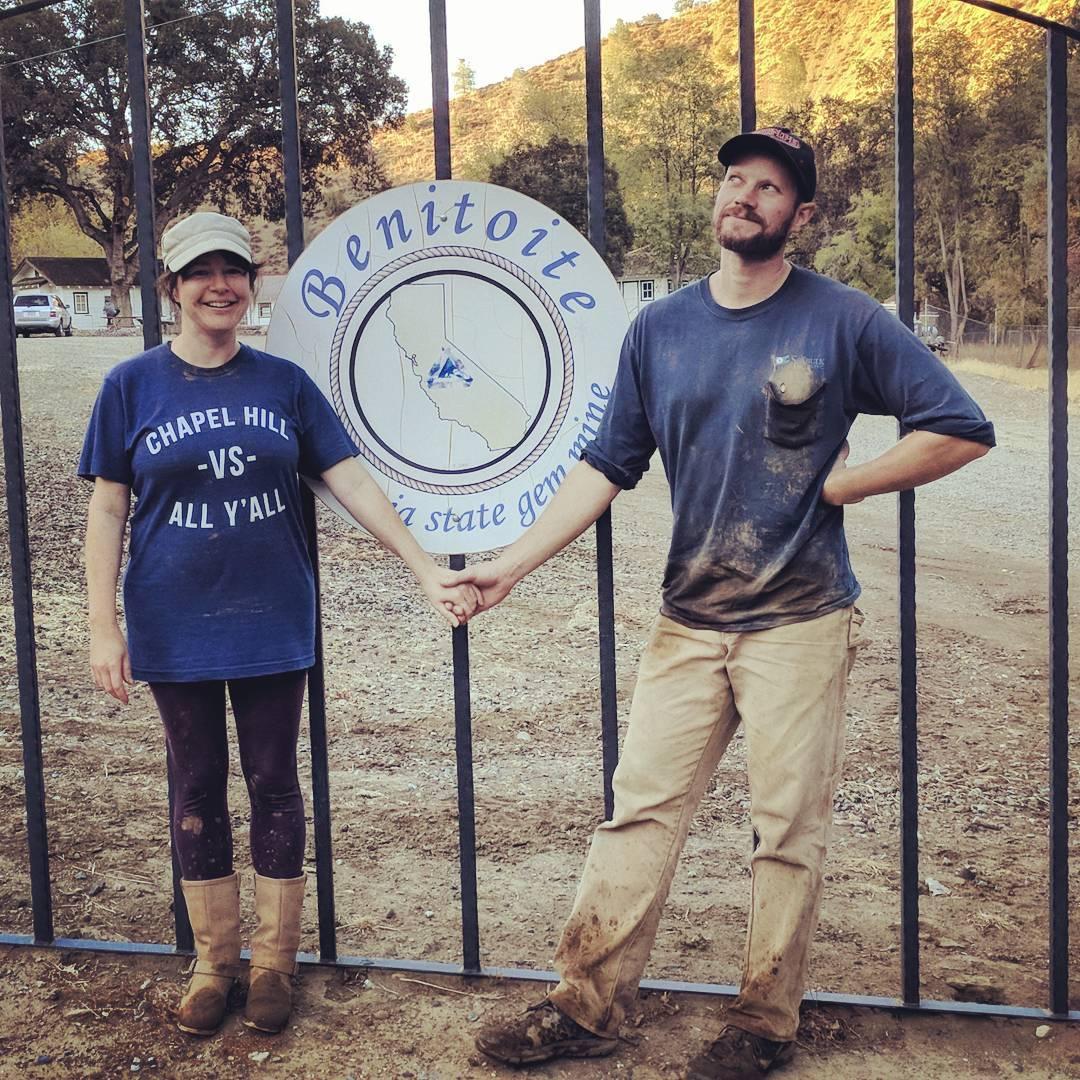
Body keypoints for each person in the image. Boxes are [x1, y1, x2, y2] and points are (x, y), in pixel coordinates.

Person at [459, 128, 994, 1078]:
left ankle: (762, 1020)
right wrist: (511, 565)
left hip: (802, 617)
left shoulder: (844, 320)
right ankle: (588, 1007)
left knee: (786, 829)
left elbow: (960, 427)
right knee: (638, 813)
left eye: (771, 186)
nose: (746, 196)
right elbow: (604, 468)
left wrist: (843, 486)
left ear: (803, 215)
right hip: (689, 619)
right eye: (736, 180)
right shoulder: (660, 329)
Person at [80, 212, 478, 1038]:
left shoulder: (284, 384)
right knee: (194, 786)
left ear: (253, 283)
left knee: (272, 782)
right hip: (174, 623)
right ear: (172, 288)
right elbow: (108, 506)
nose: (219, 284)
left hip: (271, 619)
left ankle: (271, 965)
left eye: (234, 269)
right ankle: (211, 964)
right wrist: (102, 625)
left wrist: (422, 566)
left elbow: (350, 481)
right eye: (200, 272)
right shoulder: (132, 385)